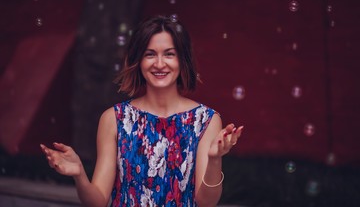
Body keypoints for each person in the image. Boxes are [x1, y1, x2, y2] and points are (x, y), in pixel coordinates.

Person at [40, 15, 243, 207]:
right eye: (150, 54)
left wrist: (215, 159)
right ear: (138, 61)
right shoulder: (114, 119)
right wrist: (79, 175)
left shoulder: (206, 120)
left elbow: (207, 203)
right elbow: (97, 201)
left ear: (183, 60)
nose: (160, 64)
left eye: (169, 54)